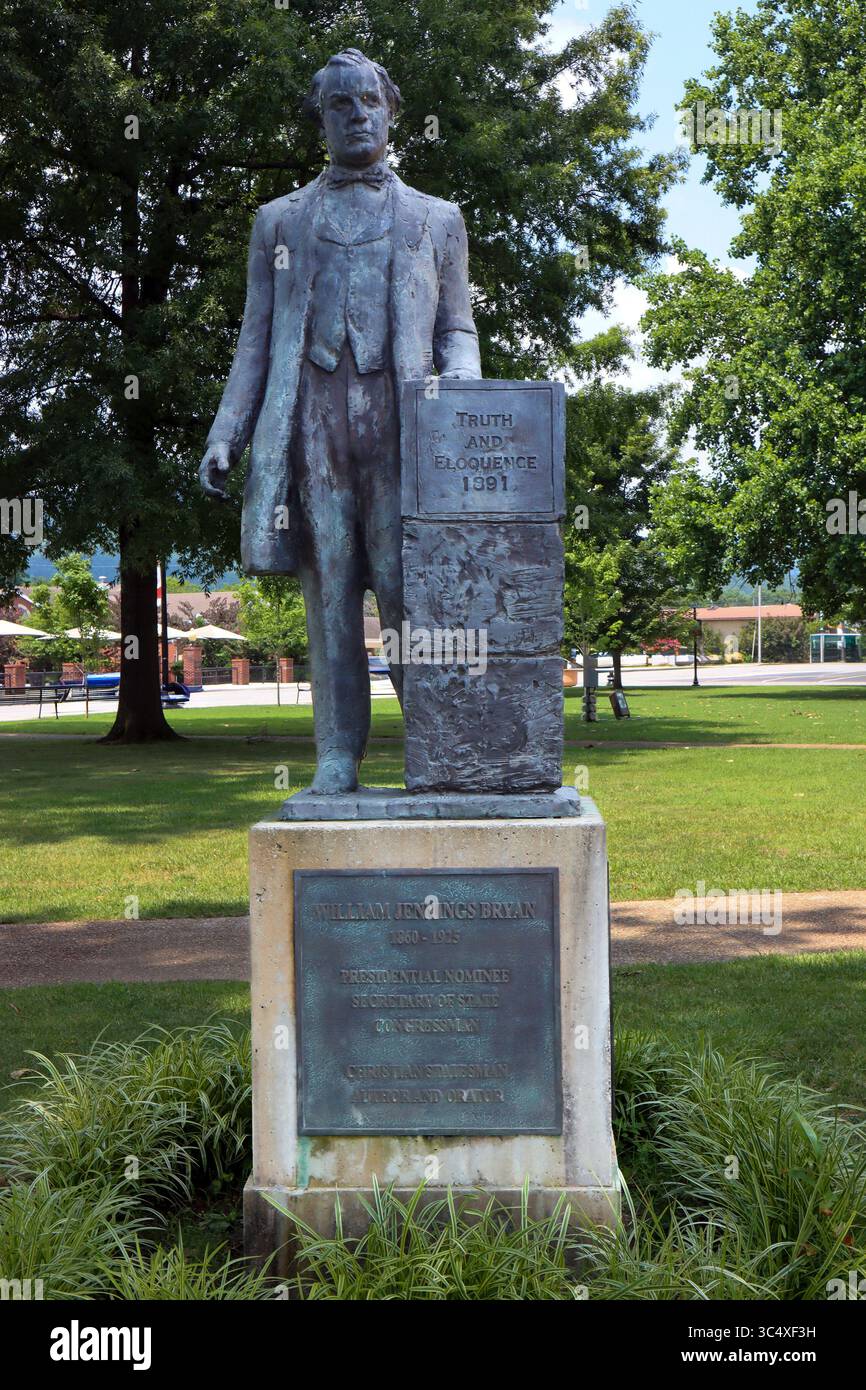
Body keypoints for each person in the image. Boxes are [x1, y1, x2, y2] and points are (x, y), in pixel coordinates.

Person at [200, 49, 481, 793]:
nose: (356, 116)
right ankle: (336, 753)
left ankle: (435, 748)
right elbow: (255, 340)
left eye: (368, 103)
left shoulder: (437, 219)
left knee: (407, 591)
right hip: (313, 426)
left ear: (391, 111)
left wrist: (462, 399)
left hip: (405, 427)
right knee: (329, 594)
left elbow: (458, 331)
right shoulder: (279, 223)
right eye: (339, 106)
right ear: (321, 118)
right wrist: (227, 431)